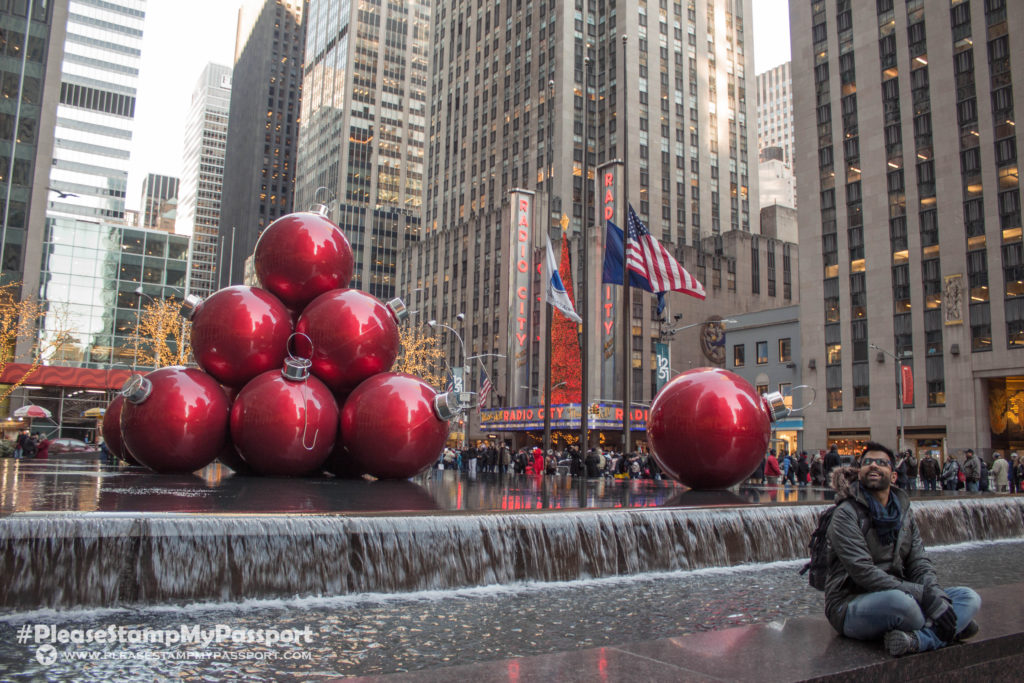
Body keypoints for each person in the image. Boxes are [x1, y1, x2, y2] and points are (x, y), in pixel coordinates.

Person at [824, 441, 981, 656]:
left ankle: (921, 640)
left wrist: (934, 594)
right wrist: (925, 598)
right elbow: (863, 573)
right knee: (905, 606)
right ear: (859, 473)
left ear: (894, 476)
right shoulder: (845, 514)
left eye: (881, 463)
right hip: (850, 603)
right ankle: (948, 630)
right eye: (867, 462)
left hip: (904, 592)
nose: (873, 466)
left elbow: (919, 562)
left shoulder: (904, 513)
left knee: (968, 597)